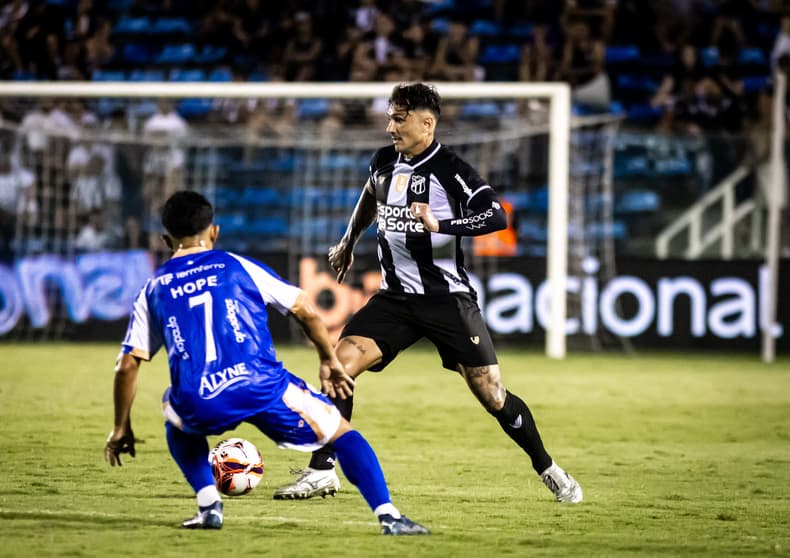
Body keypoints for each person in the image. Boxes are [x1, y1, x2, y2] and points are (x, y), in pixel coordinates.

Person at [274, 83, 582, 505]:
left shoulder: (451, 169)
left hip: (446, 300)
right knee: (338, 366)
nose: (390, 127)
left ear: (427, 123)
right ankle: (322, 470)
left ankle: (548, 468)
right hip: (395, 299)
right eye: (390, 118)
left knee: (491, 392)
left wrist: (442, 225)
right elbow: (371, 195)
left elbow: (495, 216)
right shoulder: (383, 161)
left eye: (399, 119)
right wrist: (348, 240)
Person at [103, 190, 429, 536]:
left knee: (175, 414)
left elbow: (127, 365)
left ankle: (209, 506)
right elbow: (304, 308)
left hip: (201, 396)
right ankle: (389, 516)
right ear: (214, 231)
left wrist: (121, 427)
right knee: (344, 435)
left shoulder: (154, 288)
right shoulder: (236, 266)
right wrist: (327, 359)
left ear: (166, 240)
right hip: (261, 385)